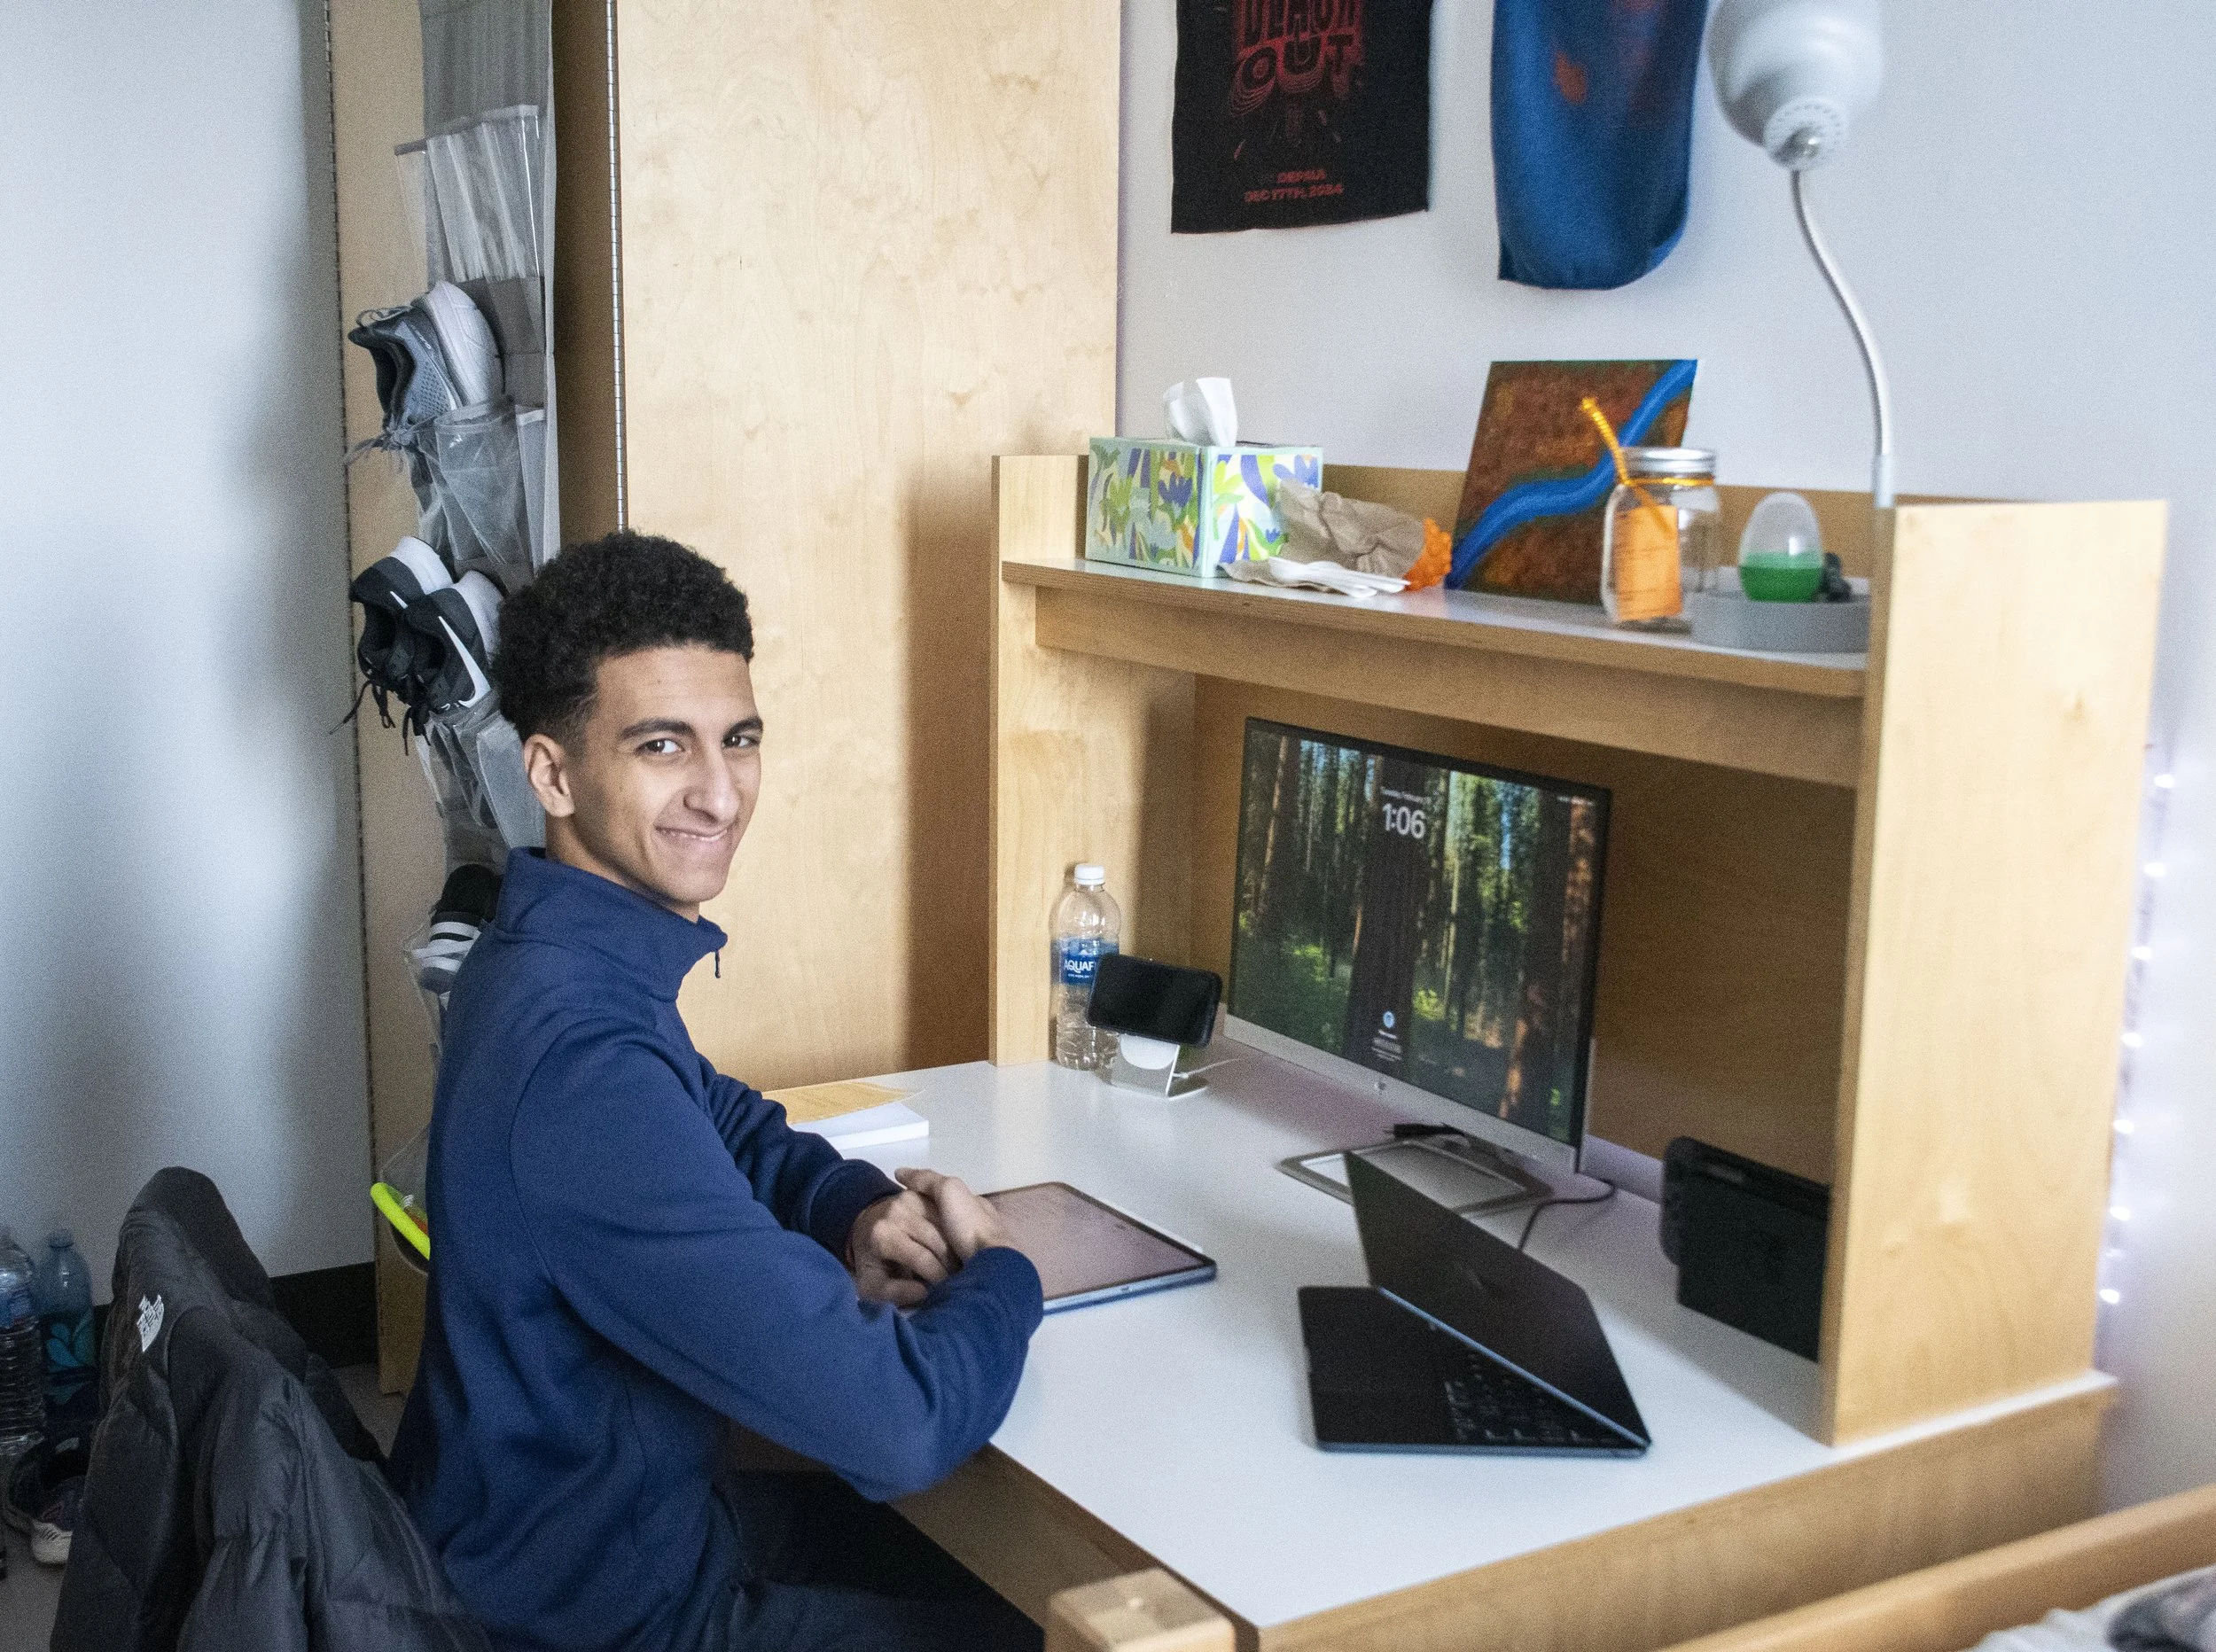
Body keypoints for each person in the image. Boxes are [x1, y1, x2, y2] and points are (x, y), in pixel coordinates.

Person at [387, 533, 1045, 1652]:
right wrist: (1007, 1269)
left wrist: (850, 1210)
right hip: (603, 1619)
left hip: (578, 1536)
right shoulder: (579, 1065)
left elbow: (716, 1114)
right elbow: (897, 1424)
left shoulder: (548, 955)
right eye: (661, 745)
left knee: (995, 1579)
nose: (720, 790)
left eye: (738, 739)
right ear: (551, 772)